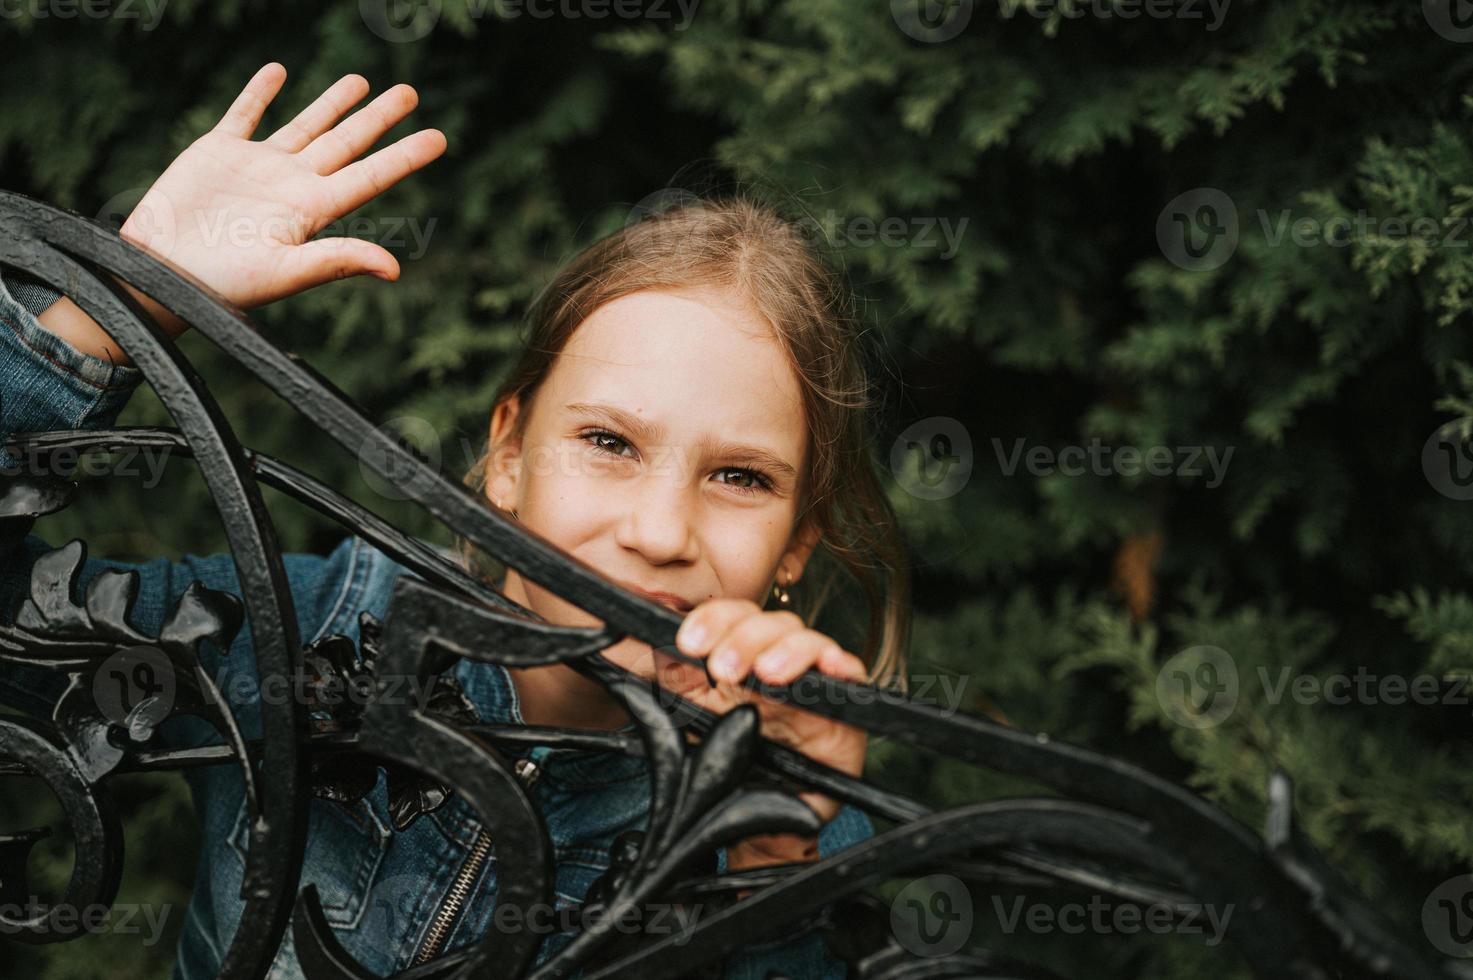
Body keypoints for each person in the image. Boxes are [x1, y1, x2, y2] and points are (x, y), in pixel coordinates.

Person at [0, 63, 912, 978]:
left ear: (797, 541)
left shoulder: (812, 822)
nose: (660, 531)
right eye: (607, 442)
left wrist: (769, 860)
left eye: (741, 477)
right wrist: (120, 306)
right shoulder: (302, 634)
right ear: (509, 458)